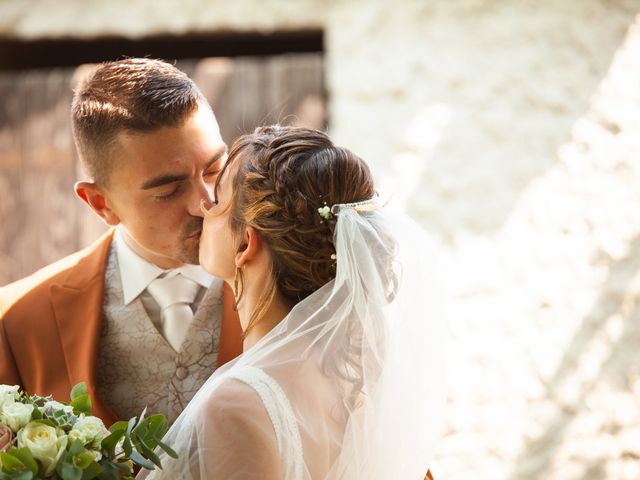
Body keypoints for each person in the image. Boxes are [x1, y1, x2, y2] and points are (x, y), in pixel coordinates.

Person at [143, 126, 444, 479]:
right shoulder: (356, 387)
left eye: (218, 200)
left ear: (245, 246)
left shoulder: (235, 406)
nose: (202, 206)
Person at [0, 58, 243, 426]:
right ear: (101, 203)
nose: (206, 202)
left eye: (214, 168)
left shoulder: (294, 279)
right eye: (169, 189)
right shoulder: (16, 322)